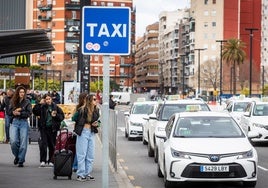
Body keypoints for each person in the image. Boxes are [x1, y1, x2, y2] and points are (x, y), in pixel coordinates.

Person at [32, 93, 65, 167]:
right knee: (43, 144)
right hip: (44, 128)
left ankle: (51, 160)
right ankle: (43, 160)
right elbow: (34, 111)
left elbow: (62, 117)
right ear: (44, 100)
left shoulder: (55, 107)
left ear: (51, 99)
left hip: (53, 129)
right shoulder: (42, 107)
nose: (48, 100)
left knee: (52, 145)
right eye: (46, 99)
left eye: (49, 99)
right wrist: (39, 104)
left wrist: (56, 115)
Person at [73, 94, 100, 181]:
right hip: (83, 131)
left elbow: (99, 121)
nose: (96, 101)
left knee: (90, 154)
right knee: (82, 154)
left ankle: (87, 173)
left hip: (91, 132)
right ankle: (80, 174)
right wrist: (82, 122)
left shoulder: (96, 110)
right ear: (90, 101)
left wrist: (97, 124)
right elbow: (74, 118)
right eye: (94, 99)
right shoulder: (82, 110)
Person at [8, 86, 32, 167]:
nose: (22, 93)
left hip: (23, 122)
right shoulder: (13, 101)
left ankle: (21, 160)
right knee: (13, 141)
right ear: (17, 93)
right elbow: (9, 111)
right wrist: (13, 112)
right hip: (14, 122)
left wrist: (20, 113)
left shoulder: (27, 102)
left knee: (23, 142)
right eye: (20, 92)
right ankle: (17, 156)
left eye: (23, 92)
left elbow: (29, 113)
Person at [71, 92, 87, 172]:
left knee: (84, 151)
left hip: (87, 130)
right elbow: (73, 118)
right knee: (80, 150)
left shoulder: (91, 107)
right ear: (83, 99)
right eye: (86, 98)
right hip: (80, 130)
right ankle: (75, 165)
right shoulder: (79, 108)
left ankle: (81, 166)